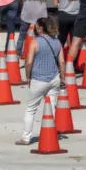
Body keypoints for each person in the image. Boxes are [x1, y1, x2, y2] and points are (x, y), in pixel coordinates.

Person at [15, 16, 66, 146]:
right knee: (51, 108)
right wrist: (63, 78)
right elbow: (61, 61)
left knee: (31, 109)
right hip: (54, 78)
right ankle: (50, 133)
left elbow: (29, 62)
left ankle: (26, 138)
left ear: (41, 28)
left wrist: (28, 77)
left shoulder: (35, 42)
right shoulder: (57, 42)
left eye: (37, 26)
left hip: (38, 79)